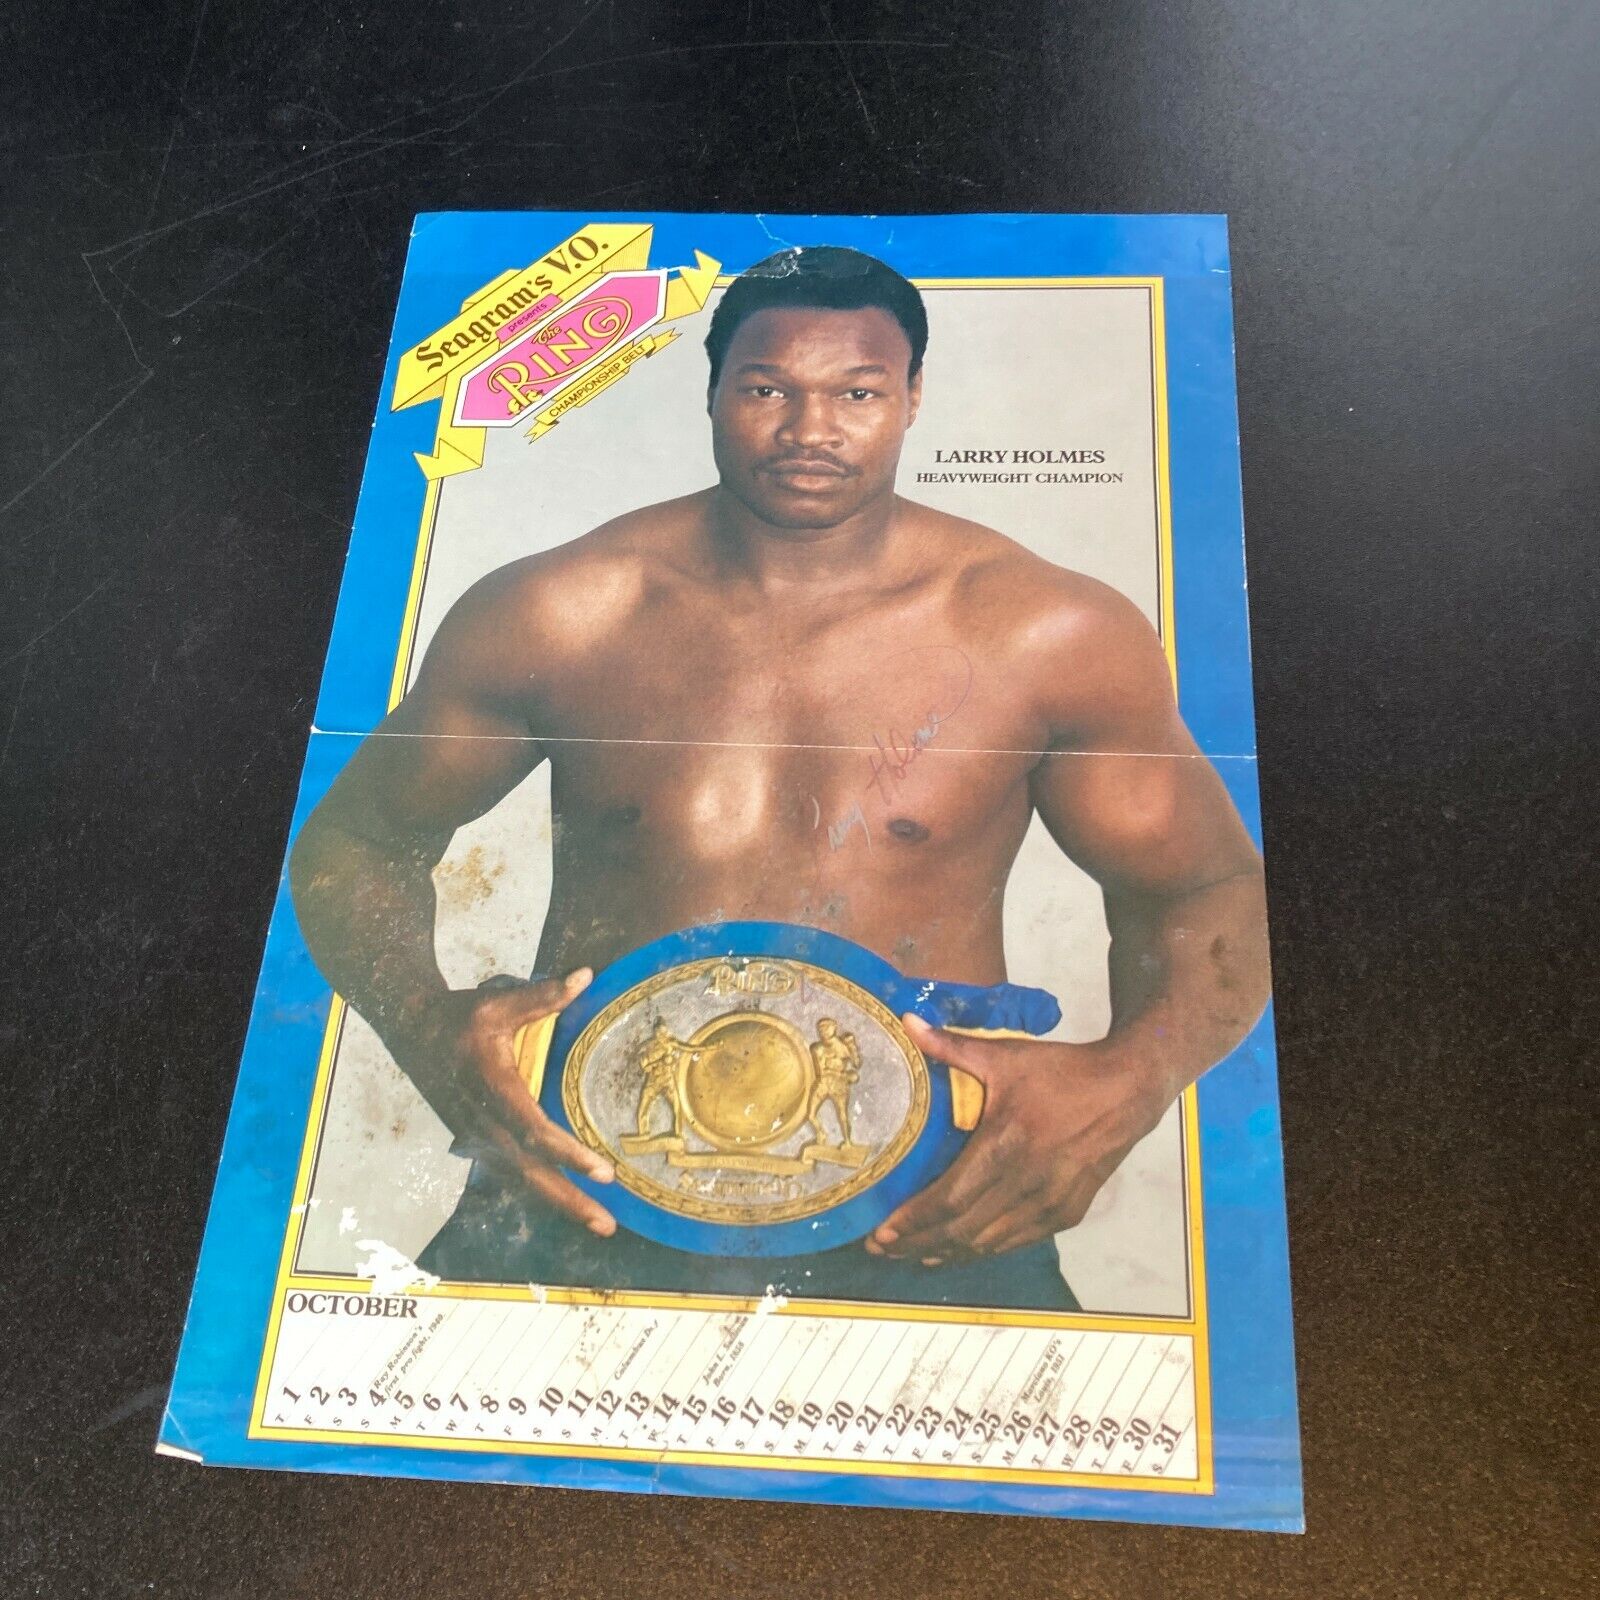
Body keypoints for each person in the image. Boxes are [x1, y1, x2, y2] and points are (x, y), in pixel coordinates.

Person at [289, 246, 1270, 1310]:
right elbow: (354, 843)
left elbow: (1211, 888)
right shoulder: (563, 612)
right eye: (767, 390)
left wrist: (1129, 1079)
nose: (810, 430)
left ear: (912, 399)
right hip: (577, 1194)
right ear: (712, 394)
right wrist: (427, 1031)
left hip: (931, 1209)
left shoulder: (1045, 630)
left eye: (857, 393)